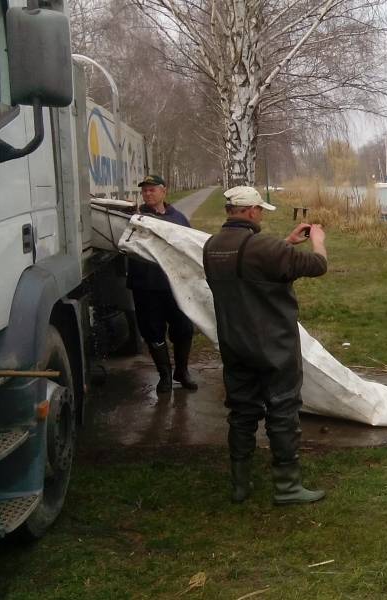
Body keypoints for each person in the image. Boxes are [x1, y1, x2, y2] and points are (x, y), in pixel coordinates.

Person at [202, 186, 328, 505]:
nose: (260, 215)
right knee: (283, 411)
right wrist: (318, 242)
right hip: (274, 346)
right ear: (249, 211)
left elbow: (248, 270)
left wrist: (285, 244)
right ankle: (287, 487)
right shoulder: (265, 248)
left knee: (242, 412)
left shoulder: (211, 247)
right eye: (259, 210)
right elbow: (317, 266)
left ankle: (239, 484)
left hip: (234, 343)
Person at [127, 174, 198, 394]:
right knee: (152, 330)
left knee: (184, 329)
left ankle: (182, 371)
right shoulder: (135, 219)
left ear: (163, 191)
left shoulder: (178, 218)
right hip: (146, 286)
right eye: (145, 190)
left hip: (175, 286)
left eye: (152, 189)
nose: (148, 194)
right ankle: (165, 375)